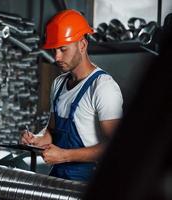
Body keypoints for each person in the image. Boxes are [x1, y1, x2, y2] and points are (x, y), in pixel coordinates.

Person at [20, 9, 123, 182]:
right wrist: (37, 140)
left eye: (62, 49)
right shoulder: (59, 84)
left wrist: (65, 156)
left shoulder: (103, 87)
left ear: (82, 45)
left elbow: (118, 147)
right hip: (59, 177)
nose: (56, 57)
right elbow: (52, 132)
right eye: (54, 50)